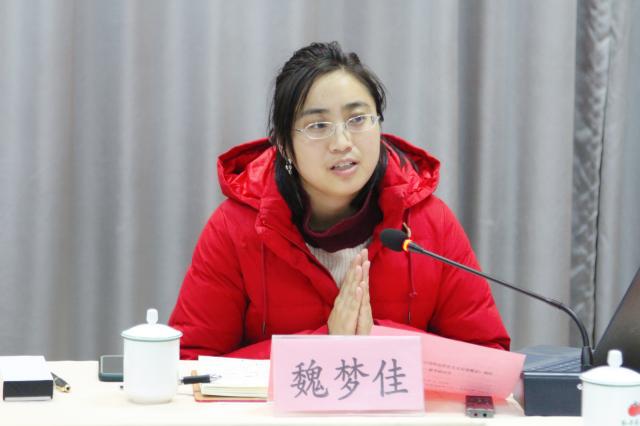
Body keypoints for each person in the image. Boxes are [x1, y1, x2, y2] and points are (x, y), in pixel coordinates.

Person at [168, 41, 510, 359]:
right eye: (318, 126)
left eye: (358, 119)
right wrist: (325, 345)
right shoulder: (235, 229)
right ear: (284, 145)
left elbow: (487, 360)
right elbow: (189, 366)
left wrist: (376, 342)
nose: (342, 142)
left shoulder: (430, 225)